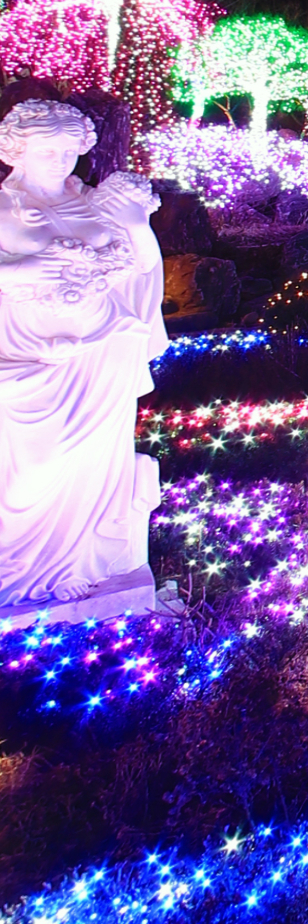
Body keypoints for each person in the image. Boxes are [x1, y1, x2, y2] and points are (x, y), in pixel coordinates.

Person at [0, 98, 166, 610]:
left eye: (68, 151)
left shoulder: (95, 202)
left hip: (105, 347)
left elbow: (143, 267)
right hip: (29, 355)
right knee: (32, 470)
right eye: (45, 150)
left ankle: (80, 564)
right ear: (15, 151)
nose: (59, 160)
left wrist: (137, 224)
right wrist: (22, 271)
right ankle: (21, 569)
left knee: (95, 461)